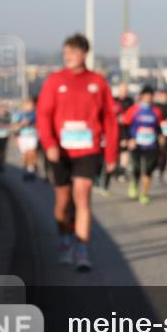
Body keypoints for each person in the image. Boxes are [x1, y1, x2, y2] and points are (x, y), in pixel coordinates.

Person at [36, 34, 118, 271]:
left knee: (82, 196)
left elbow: (109, 120)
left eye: (72, 52)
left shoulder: (97, 82)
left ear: (84, 53)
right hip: (60, 151)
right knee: (62, 201)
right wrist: (49, 143)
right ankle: (65, 241)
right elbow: (43, 115)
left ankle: (81, 248)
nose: (67, 57)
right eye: (65, 53)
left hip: (87, 148)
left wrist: (111, 154)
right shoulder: (54, 81)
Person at [123, 86, 163, 205]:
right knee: (136, 169)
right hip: (136, 144)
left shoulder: (156, 111)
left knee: (148, 171)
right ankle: (134, 183)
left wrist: (161, 137)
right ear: (141, 96)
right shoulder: (133, 110)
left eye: (150, 95)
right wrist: (129, 140)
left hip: (151, 145)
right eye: (146, 95)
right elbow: (125, 125)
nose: (148, 98)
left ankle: (144, 194)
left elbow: (158, 127)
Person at [13, 98, 39, 180]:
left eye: (31, 105)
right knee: (25, 155)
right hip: (22, 137)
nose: (29, 107)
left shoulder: (35, 114)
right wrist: (21, 124)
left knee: (31, 152)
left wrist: (31, 124)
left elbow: (39, 124)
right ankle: (26, 169)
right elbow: (15, 126)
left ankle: (31, 170)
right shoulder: (19, 115)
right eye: (27, 105)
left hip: (32, 136)